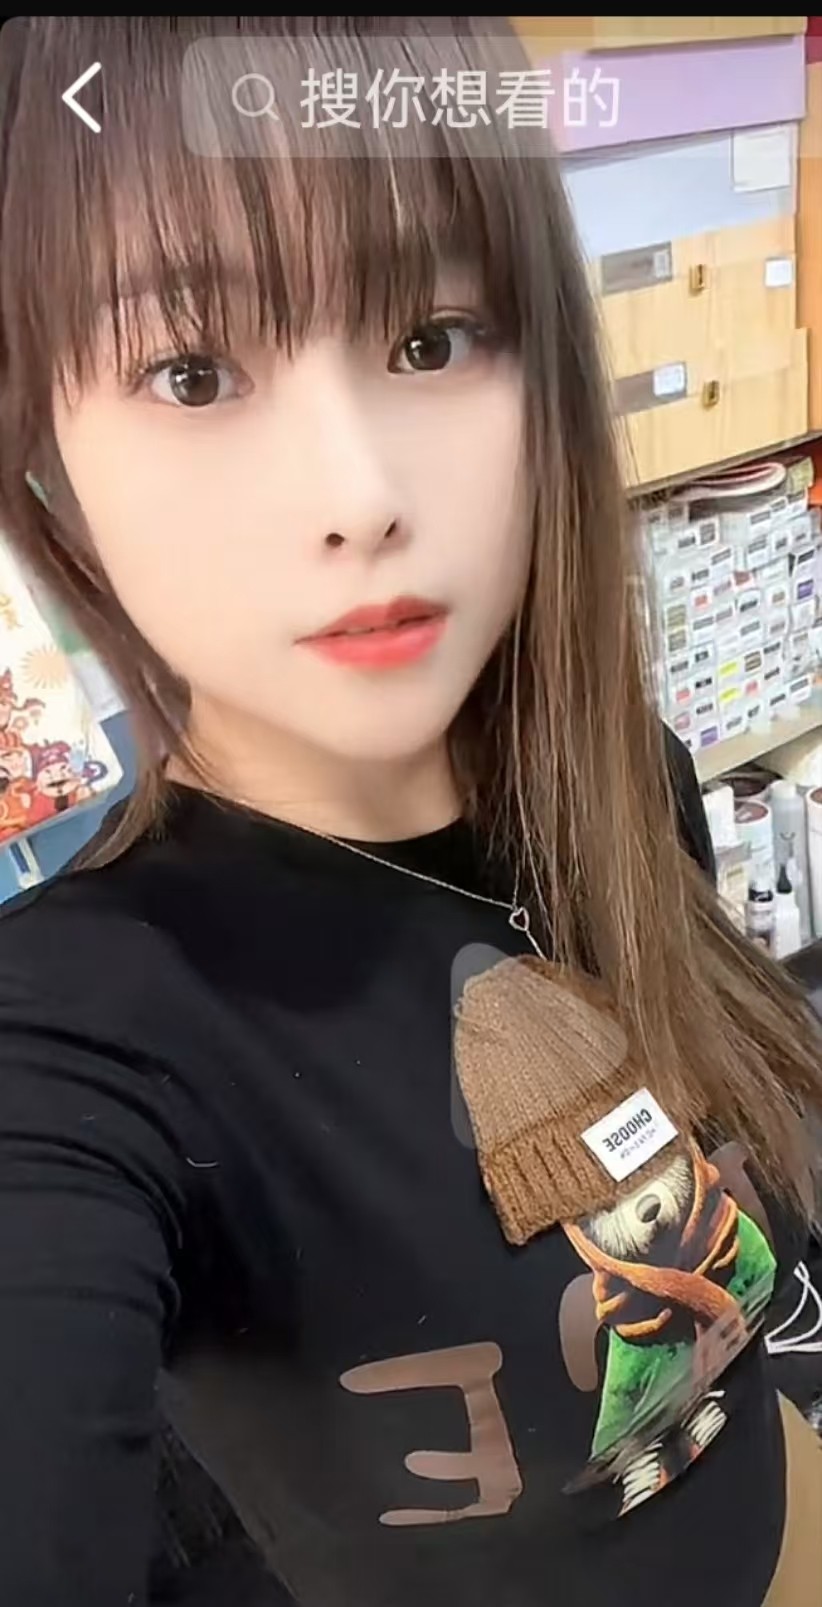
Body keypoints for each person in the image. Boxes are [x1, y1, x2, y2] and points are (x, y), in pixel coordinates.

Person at [0, 16, 820, 1607]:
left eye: (433, 339)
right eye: (191, 372)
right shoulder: (80, 1043)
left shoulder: (618, 782)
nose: (358, 494)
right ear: (46, 455)